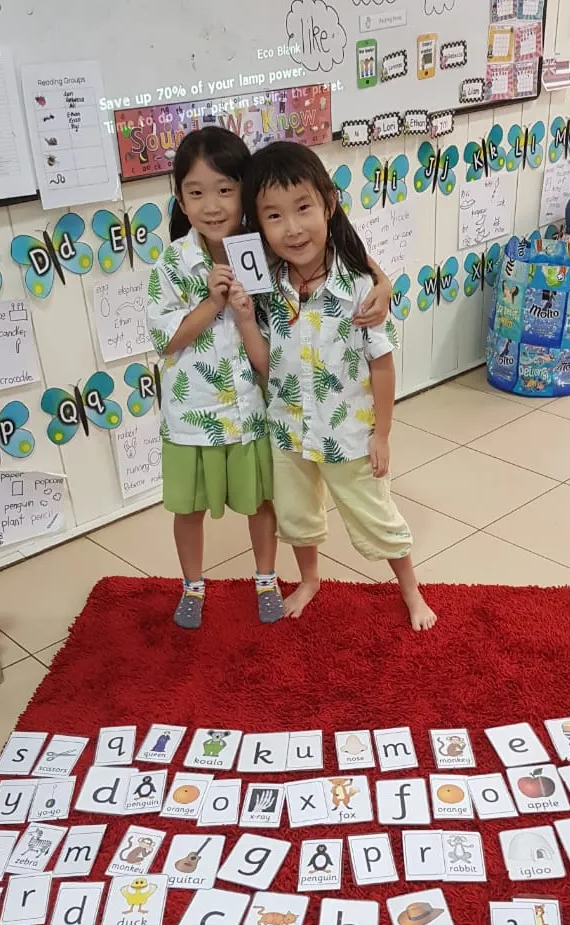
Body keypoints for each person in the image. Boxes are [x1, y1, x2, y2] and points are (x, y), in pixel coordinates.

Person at [147, 127, 392, 630]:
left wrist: (383, 283)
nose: (212, 205)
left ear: (245, 192)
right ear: (180, 200)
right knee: (188, 507)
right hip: (193, 415)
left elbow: (338, 250)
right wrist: (211, 302)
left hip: (258, 410)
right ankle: (192, 585)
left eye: (225, 189)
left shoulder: (262, 247)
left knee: (262, 501)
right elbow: (165, 340)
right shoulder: (173, 261)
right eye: (196, 192)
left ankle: (266, 578)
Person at [243, 142, 436, 631]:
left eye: (303, 208)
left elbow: (383, 365)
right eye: (273, 216)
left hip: (347, 432)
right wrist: (245, 317)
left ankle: (411, 590)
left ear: (328, 204)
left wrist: (382, 434)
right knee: (296, 514)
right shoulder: (266, 284)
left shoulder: (358, 286)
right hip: (288, 431)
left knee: (375, 514)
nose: (292, 228)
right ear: (259, 224)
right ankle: (310, 579)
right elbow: (264, 361)